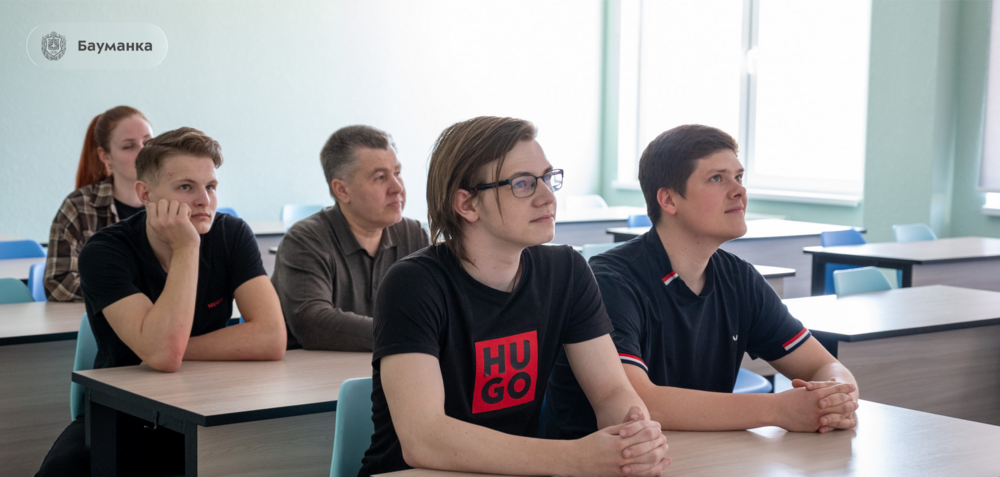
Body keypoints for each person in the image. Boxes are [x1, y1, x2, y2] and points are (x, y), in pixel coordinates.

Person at [359, 117, 671, 477]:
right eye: (522, 183)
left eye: (548, 178)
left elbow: (611, 391)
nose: (548, 197)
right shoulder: (413, 284)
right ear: (467, 204)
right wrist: (576, 458)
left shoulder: (567, 271)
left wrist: (634, 435)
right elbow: (424, 438)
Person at [544, 124, 859, 438]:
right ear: (669, 200)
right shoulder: (612, 281)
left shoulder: (740, 278)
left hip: (699, 452)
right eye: (717, 178)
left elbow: (823, 366)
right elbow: (637, 402)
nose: (739, 191)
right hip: (608, 459)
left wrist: (836, 395)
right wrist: (777, 410)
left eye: (739, 177)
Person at [35, 127, 286, 476]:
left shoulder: (232, 234)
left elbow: (271, 338)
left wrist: (177, 349)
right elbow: (164, 355)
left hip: (209, 403)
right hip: (126, 413)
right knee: (63, 470)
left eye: (211, 186)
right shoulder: (105, 251)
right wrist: (186, 247)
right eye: (186, 187)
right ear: (146, 194)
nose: (204, 200)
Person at [271, 125, 429, 351]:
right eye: (380, 177)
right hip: (315, 369)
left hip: (389, 362)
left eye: (397, 173)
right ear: (342, 190)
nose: (397, 188)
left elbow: (438, 310)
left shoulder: (413, 235)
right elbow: (312, 323)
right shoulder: (305, 240)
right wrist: (411, 335)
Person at [44, 106, 153, 301]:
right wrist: (127, 295)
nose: (143, 152)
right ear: (105, 156)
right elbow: (59, 282)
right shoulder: (78, 206)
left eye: (148, 142)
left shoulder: (173, 200)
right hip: (107, 317)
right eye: (129, 146)